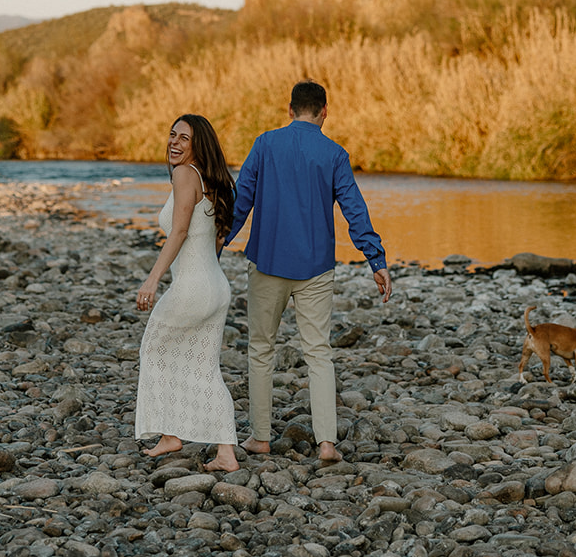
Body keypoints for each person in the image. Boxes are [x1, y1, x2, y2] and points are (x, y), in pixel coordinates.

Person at [225, 80, 390, 463]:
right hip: (316, 267)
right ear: (324, 112)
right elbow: (354, 210)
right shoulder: (334, 154)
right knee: (319, 353)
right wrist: (376, 260)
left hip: (268, 262)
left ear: (290, 109)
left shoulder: (265, 144)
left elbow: (240, 202)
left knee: (261, 350)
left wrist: (215, 245)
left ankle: (261, 437)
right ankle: (327, 443)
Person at [133, 113, 241, 471]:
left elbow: (178, 232)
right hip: (216, 286)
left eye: (184, 138)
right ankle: (224, 450)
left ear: (198, 145)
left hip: (193, 288)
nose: (174, 143)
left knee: (154, 348)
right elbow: (218, 235)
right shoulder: (212, 179)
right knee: (204, 367)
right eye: (172, 134)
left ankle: (170, 434)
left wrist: (152, 280)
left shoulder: (184, 175)